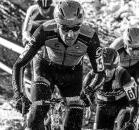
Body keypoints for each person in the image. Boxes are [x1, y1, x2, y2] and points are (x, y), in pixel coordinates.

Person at [12, 0, 105, 130]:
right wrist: (19, 95)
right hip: (45, 69)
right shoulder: (44, 30)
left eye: (76, 28)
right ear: (57, 24)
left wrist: (89, 91)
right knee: (37, 113)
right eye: (65, 28)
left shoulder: (90, 37)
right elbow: (19, 65)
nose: (70, 34)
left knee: (74, 121)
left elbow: (100, 73)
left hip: (72, 75)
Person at [81, 47, 139, 130]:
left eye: (110, 69)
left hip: (122, 105)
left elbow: (134, 104)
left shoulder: (123, 74)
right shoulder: (91, 77)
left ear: (116, 67)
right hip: (103, 107)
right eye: (103, 69)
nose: (107, 73)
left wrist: (131, 121)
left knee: (126, 126)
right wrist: (87, 104)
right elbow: (84, 95)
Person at [110, 27, 139, 108]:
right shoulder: (115, 48)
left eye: (138, 48)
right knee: (120, 94)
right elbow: (107, 67)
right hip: (122, 68)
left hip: (138, 66)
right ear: (125, 45)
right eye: (132, 48)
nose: (135, 52)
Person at [22, 0, 54, 80]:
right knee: (31, 48)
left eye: (47, 8)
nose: (45, 11)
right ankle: (27, 68)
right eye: (42, 8)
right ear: (38, 6)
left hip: (46, 35)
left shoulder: (55, 10)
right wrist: (32, 41)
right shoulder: (32, 10)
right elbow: (25, 31)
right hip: (31, 35)